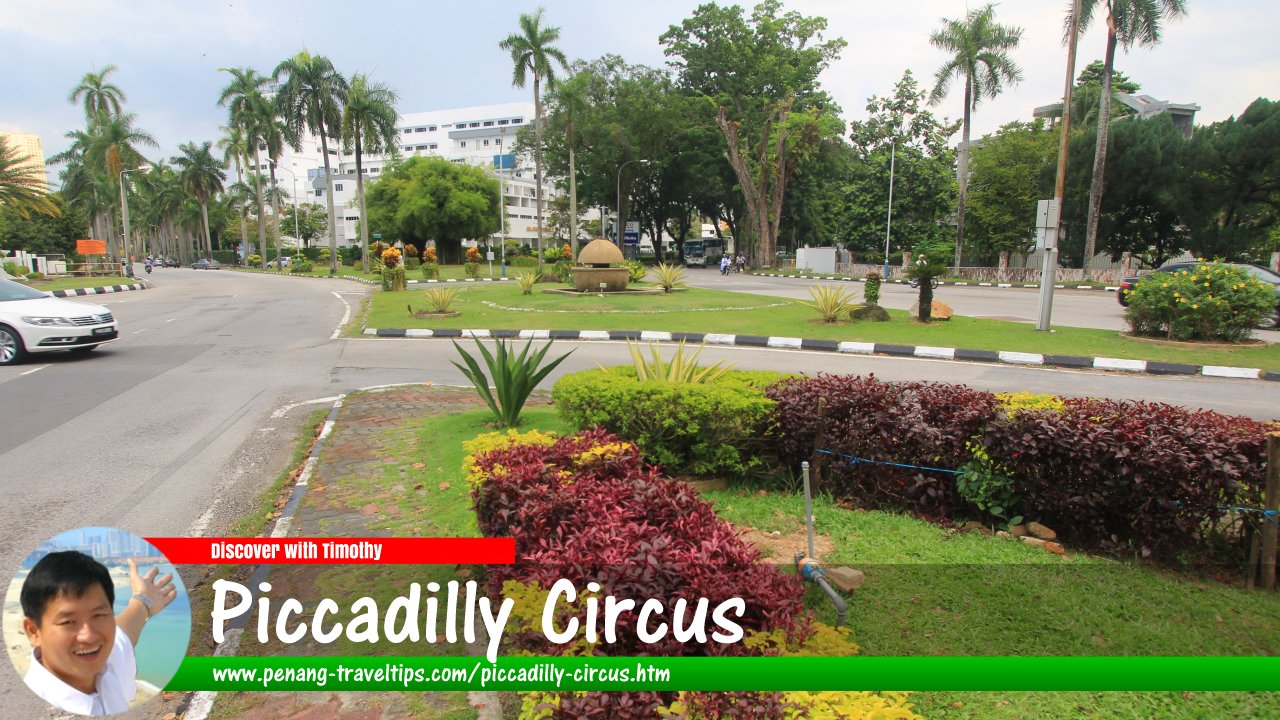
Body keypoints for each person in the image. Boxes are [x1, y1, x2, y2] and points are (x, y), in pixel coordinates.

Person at [21, 551, 177, 716]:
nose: (88, 636)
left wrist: (144, 601)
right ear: (33, 631)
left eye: (98, 615)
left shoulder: (104, 663)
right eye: (68, 622)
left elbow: (122, 634)